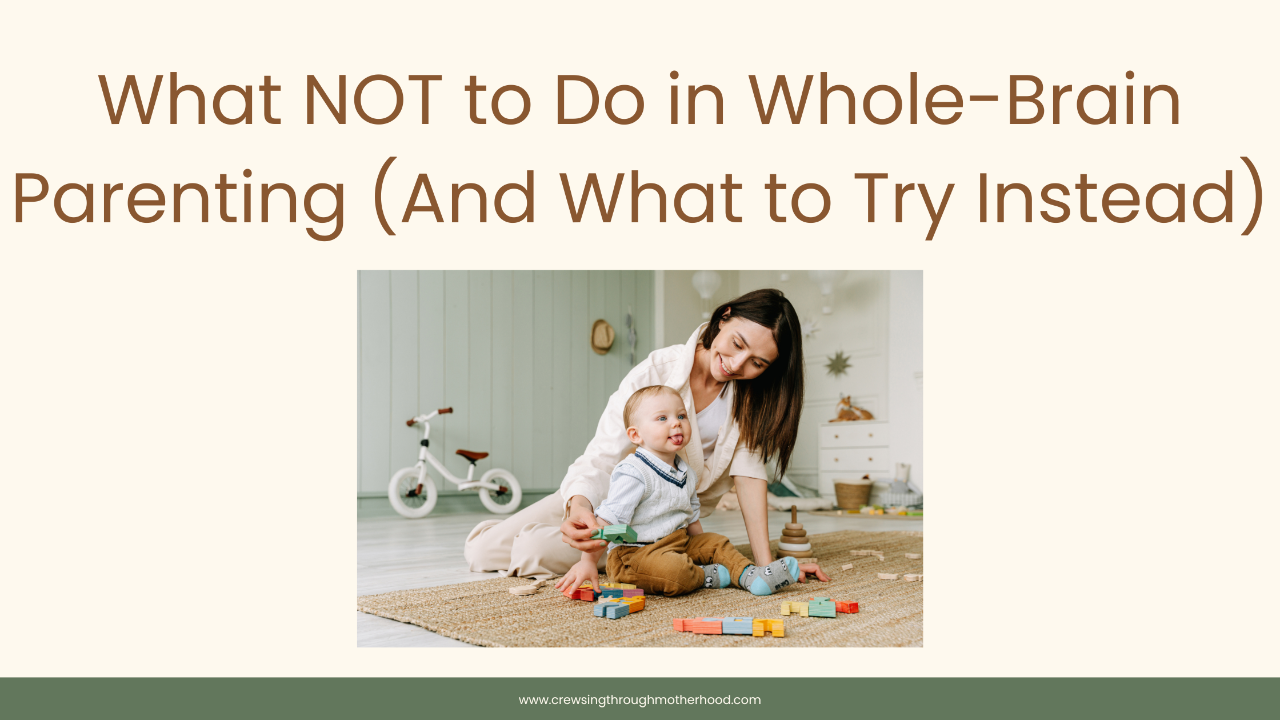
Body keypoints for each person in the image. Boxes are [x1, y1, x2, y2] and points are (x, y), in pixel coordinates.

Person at [464, 288, 829, 587]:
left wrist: (766, 567)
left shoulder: (752, 402)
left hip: (661, 525)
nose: (736, 364)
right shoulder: (657, 371)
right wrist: (579, 508)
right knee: (480, 552)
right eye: (737, 343)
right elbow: (602, 456)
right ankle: (538, 530)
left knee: (532, 550)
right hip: (609, 495)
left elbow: (749, 477)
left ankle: (629, 555)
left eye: (757, 363)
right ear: (724, 317)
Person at [551, 385, 800, 597]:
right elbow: (608, 523)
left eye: (682, 416)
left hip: (677, 543)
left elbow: (691, 517)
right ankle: (703, 575)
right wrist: (587, 562)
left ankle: (751, 576)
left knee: (717, 542)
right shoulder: (634, 472)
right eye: (662, 418)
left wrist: (705, 550)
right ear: (636, 434)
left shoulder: (686, 472)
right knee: (675, 571)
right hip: (634, 555)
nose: (676, 423)